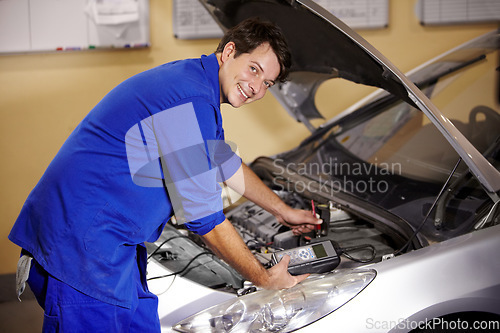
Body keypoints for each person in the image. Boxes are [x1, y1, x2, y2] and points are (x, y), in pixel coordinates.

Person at [9, 17, 321, 332]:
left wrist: (283, 211)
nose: (256, 87)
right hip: (82, 246)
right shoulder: (190, 97)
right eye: (254, 69)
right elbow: (205, 220)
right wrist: (265, 278)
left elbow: (221, 158)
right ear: (229, 52)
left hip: (112, 243)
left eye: (267, 82)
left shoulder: (197, 83)